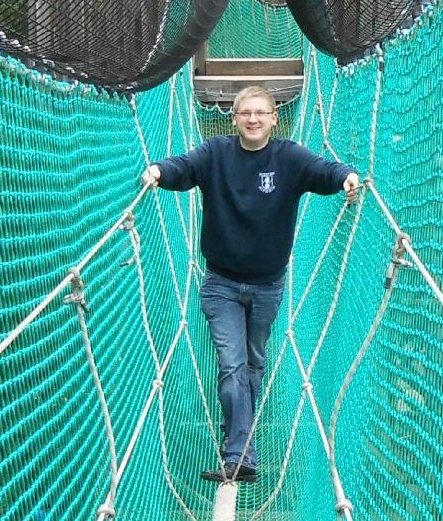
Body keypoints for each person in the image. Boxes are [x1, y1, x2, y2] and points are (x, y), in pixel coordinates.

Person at [142, 84, 360, 483]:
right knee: (233, 365)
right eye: (246, 112)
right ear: (235, 118)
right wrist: (158, 171)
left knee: (252, 365)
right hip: (221, 284)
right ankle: (240, 456)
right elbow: (184, 167)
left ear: (274, 118)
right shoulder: (216, 153)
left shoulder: (289, 157)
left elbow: (324, 171)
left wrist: (346, 177)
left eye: (261, 112)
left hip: (267, 286)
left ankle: (237, 431)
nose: (253, 119)